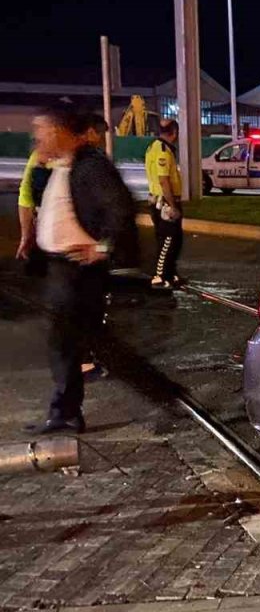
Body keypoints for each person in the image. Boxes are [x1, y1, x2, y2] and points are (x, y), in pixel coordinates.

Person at [26, 107, 138, 434]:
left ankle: (65, 412)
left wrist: (103, 248)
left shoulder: (91, 165)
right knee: (68, 342)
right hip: (62, 269)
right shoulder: (65, 164)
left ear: (61, 130)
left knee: (68, 342)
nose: (37, 138)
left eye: (42, 131)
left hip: (78, 271)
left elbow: (120, 208)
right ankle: (65, 410)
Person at [145, 119, 184, 289]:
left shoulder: (154, 146)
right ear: (174, 132)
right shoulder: (163, 152)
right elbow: (163, 180)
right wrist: (172, 205)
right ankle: (159, 276)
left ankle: (170, 274)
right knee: (167, 240)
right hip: (164, 203)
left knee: (174, 239)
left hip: (159, 200)